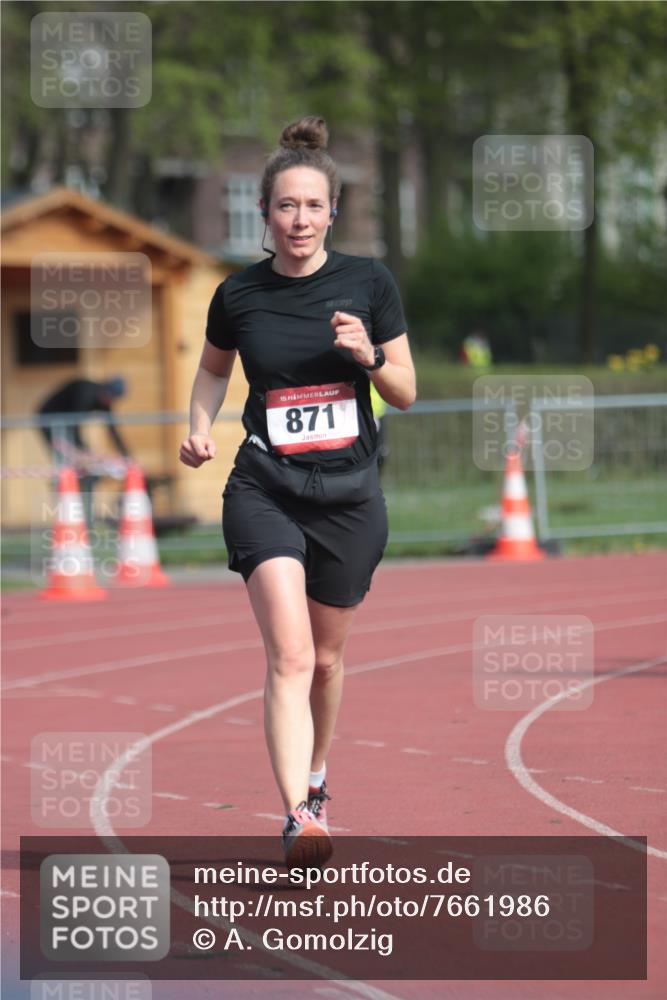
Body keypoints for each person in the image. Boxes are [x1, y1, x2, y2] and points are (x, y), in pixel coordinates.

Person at [180, 116, 416, 868]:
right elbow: (215, 367)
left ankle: (317, 778)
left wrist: (368, 354)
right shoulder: (238, 295)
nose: (300, 220)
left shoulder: (368, 283)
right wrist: (199, 427)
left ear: (332, 213)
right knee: (289, 655)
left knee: (325, 658)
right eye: (286, 207)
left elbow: (406, 391)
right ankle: (296, 818)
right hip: (265, 485)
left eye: (313, 207)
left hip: (348, 493)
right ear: (265, 213)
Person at [37, 376, 131, 525]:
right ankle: (66, 517)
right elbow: (73, 425)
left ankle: (85, 518)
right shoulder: (85, 393)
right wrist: (82, 453)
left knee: (84, 463)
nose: (109, 402)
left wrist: (127, 455)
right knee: (69, 463)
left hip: (65, 422)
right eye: (110, 397)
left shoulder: (104, 400)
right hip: (48, 419)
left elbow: (112, 430)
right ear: (105, 390)